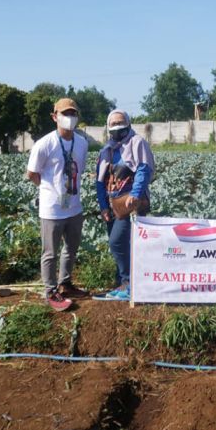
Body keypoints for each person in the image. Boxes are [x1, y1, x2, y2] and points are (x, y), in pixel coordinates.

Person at [27, 98, 89, 311]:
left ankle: (66, 284)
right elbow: (32, 174)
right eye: (64, 113)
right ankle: (50, 291)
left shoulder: (82, 143)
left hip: (74, 206)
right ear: (54, 116)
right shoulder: (44, 144)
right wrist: (49, 191)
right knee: (50, 252)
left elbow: (79, 170)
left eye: (73, 113)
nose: (69, 118)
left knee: (71, 249)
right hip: (51, 209)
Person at [94, 110, 155, 301]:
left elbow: (144, 169)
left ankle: (129, 284)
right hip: (113, 204)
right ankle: (122, 281)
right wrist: (104, 206)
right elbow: (99, 180)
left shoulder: (137, 143)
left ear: (128, 124)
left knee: (117, 242)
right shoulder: (107, 149)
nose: (117, 126)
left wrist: (136, 193)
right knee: (121, 244)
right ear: (108, 126)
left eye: (121, 122)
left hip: (130, 203)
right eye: (113, 123)